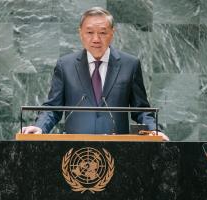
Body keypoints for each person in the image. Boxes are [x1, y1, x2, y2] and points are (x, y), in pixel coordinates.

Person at [22, 7, 169, 141]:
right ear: (80, 33)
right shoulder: (65, 65)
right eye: (90, 32)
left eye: (103, 32)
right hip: (75, 151)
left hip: (119, 150)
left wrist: (154, 130)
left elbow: (141, 110)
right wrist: (40, 127)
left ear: (112, 33)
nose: (96, 39)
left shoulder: (130, 65)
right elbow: (53, 108)